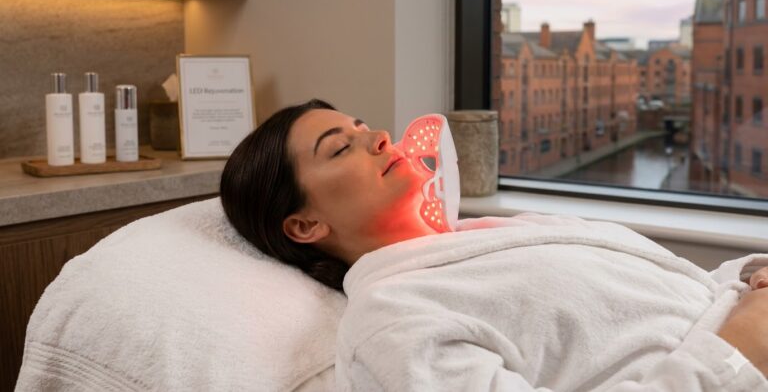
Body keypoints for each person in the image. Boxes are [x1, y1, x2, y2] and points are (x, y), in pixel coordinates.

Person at [220, 99, 768, 391]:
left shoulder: (504, 232)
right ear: (304, 225)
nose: (379, 137)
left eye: (363, 126)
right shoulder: (391, 323)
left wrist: (747, 277)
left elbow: (665, 294)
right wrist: (739, 352)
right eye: (340, 148)